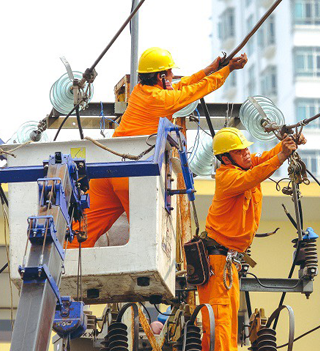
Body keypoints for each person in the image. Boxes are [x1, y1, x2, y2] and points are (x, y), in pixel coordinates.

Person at [75, 47, 248, 247]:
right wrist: (227, 71)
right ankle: (143, 273)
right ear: (160, 77)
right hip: (131, 173)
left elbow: (183, 85)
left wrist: (211, 68)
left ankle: (65, 264)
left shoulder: (141, 91)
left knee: (87, 225)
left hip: (108, 169)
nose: (173, 76)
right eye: (170, 72)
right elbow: (197, 90)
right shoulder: (161, 100)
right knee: (144, 235)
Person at [198, 127, 304, 351]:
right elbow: (258, 173)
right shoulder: (228, 178)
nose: (247, 153)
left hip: (228, 260)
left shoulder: (243, 167)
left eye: (246, 148)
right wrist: (281, 157)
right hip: (217, 259)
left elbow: (261, 159)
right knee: (220, 316)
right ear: (225, 159)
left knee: (228, 316)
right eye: (240, 151)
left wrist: (285, 146)